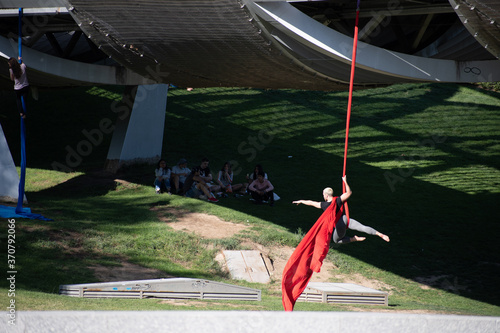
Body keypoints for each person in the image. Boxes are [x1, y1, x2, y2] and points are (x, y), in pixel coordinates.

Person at [292, 178, 390, 244]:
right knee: (362, 227)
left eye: (323, 194)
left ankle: (353, 239)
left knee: (336, 240)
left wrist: (301, 201)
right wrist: (345, 181)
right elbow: (349, 192)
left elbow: (311, 202)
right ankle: (380, 234)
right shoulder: (338, 199)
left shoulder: (324, 205)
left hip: (339, 225)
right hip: (346, 219)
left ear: (326, 195)